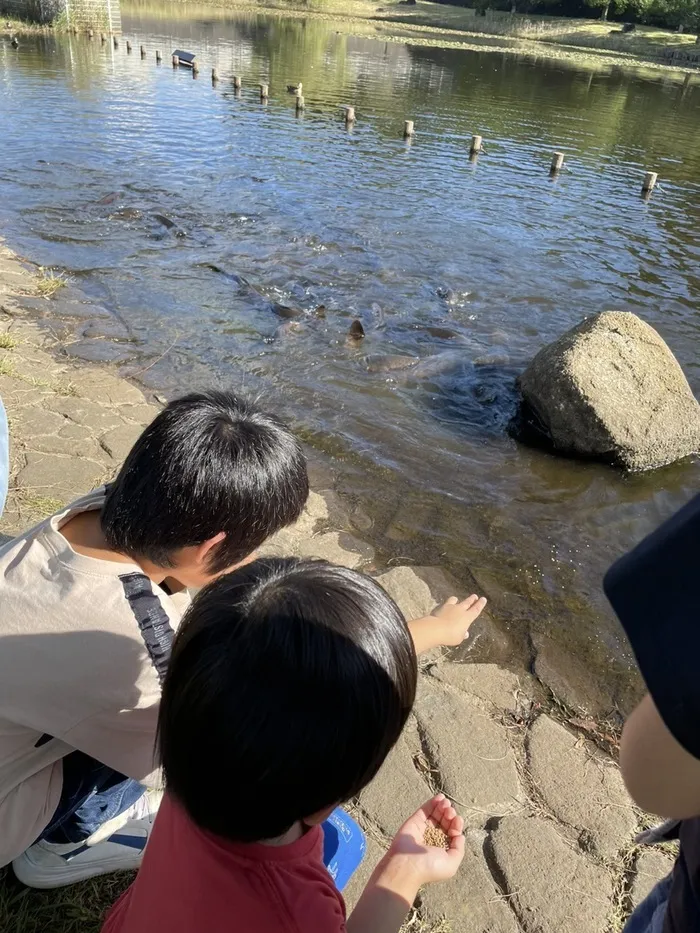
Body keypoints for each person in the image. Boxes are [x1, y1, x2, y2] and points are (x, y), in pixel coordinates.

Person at [0, 389, 486, 891]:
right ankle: (66, 844)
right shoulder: (138, 657)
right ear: (211, 546)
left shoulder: (94, 514)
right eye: (250, 546)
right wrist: (423, 633)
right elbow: (239, 718)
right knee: (191, 728)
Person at [102, 558, 467, 933]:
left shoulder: (199, 756)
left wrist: (435, 628)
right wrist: (404, 871)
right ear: (326, 803)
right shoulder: (297, 915)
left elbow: (299, 679)